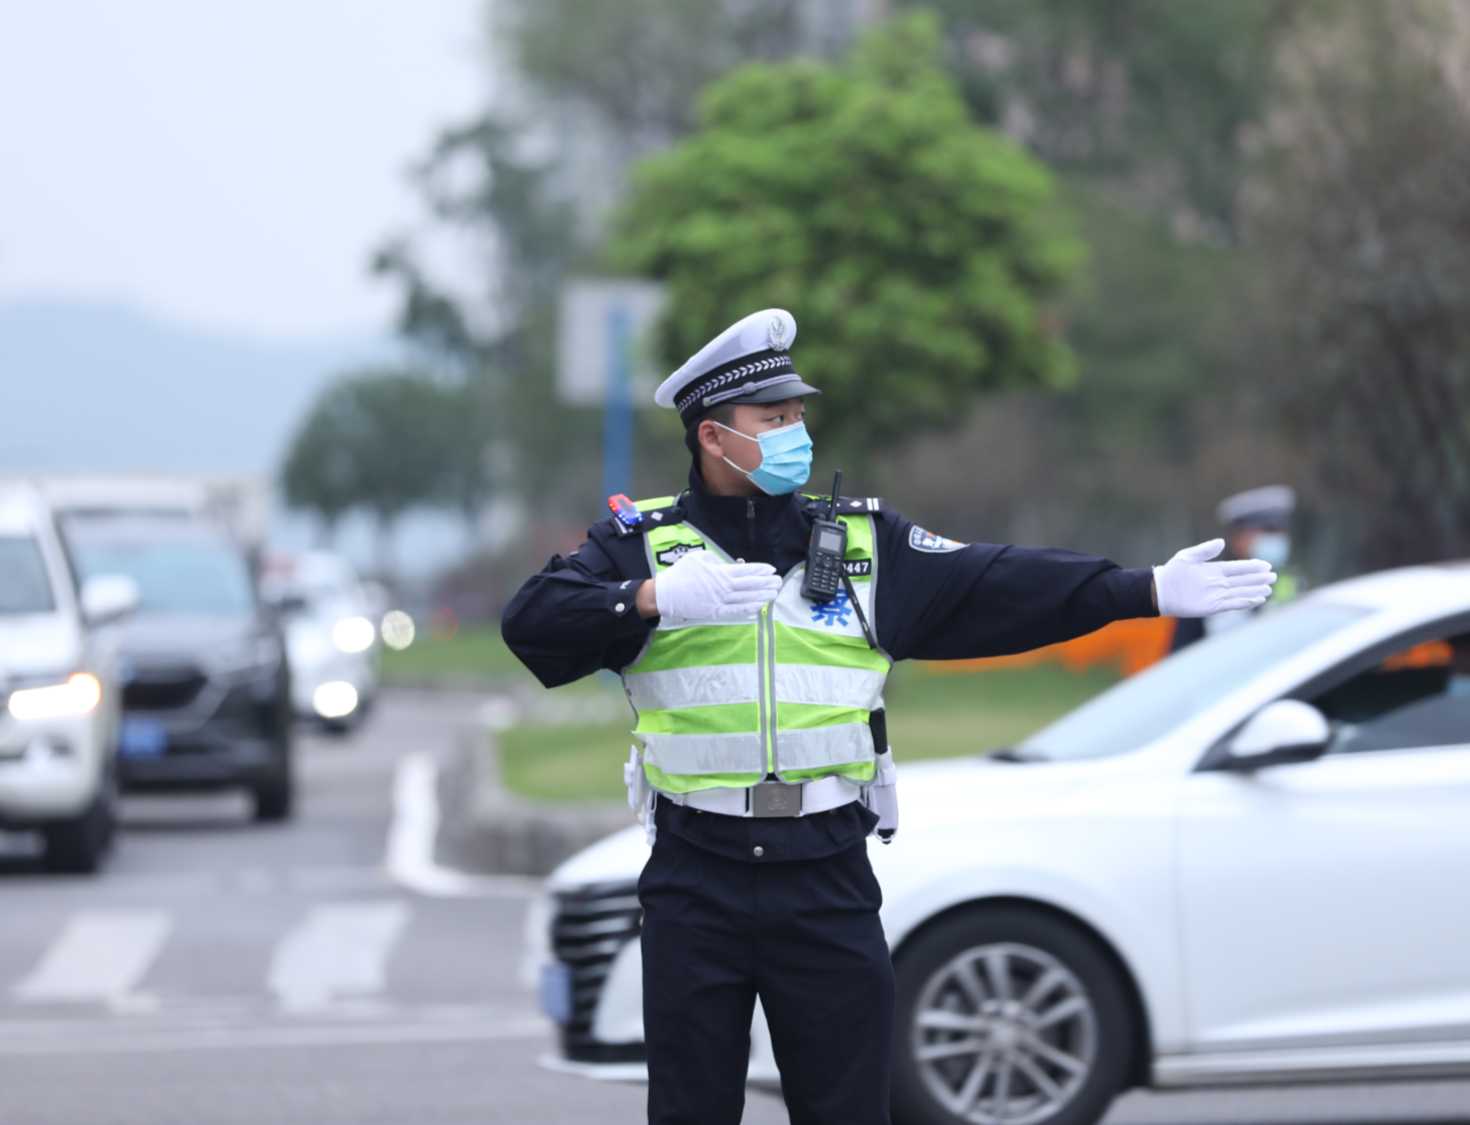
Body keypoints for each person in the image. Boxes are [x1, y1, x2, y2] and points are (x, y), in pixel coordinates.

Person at [500, 309, 1275, 1125]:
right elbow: (533, 622)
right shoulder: (640, 545)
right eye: (774, 419)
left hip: (826, 874)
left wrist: (1144, 589)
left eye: (799, 414)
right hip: (696, 877)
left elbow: (1000, 581)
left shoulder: (866, 545)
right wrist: (651, 599)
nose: (796, 432)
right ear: (714, 438)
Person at [1168, 484, 1301, 653]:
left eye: (1278, 531)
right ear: (1238, 537)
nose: (1275, 539)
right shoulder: (1204, 587)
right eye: (1267, 531)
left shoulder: (1293, 584)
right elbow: (1180, 657)